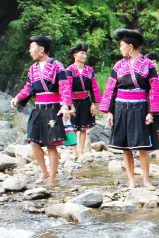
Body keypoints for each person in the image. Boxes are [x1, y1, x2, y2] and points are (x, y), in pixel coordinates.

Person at [99, 29, 159, 189]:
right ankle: (131, 181)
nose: (120, 49)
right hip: (121, 108)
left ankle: (146, 180)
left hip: (140, 108)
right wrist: (109, 111)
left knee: (142, 147)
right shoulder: (119, 65)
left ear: (130, 46)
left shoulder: (148, 64)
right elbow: (110, 89)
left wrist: (151, 112)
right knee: (125, 147)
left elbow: (154, 88)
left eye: (121, 45)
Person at [10, 35, 72, 184]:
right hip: (38, 109)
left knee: (51, 144)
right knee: (33, 141)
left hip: (53, 109)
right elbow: (28, 88)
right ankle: (44, 172)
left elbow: (65, 87)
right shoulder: (33, 69)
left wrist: (65, 106)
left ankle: (52, 177)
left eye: (32, 48)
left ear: (41, 49)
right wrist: (17, 97)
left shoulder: (57, 65)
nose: (30, 51)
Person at [66, 43, 101, 159]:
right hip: (74, 101)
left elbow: (94, 88)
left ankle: (81, 152)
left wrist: (93, 104)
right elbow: (67, 89)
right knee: (74, 128)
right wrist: (70, 105)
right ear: (75, 55)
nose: (84, 56)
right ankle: (74, 152)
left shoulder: (90, 70)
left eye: (85, 54)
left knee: (83, 128)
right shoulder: (69, 70)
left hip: (86, 101)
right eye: (81, 53)